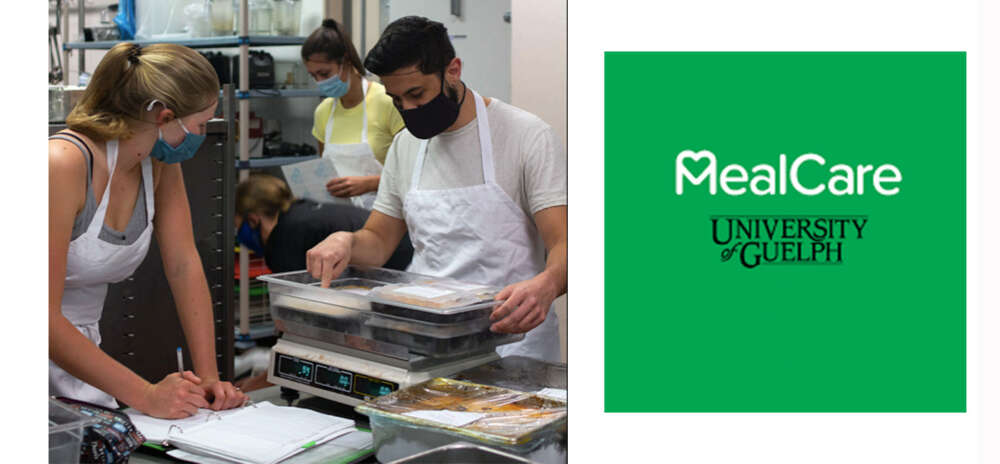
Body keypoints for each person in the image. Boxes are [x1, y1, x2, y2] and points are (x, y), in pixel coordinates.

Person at [305, 16, 568, 363]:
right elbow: (379, 242)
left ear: (453, 70)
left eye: (417, 94)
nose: (409, 109)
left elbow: (565, 243)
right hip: (426, 339)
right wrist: (347, 241)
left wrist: (547, 285)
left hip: (512, 344)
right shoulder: (405, 146)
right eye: (396, 99)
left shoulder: (526, 136)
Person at [49, 42, 247, 419]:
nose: (203, 134)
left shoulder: (157, 165)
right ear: (164, 115)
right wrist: (146, 394)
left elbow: (184, 266)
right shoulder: (62, 165)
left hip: (80, 358)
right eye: (202, 124)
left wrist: (209, 378)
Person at [302, 19, 405, 209]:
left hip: (387, 216)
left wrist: (369, 184)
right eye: (313, 76)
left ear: (346, 62)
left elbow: (413, 175)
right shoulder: (323, 112)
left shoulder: (388, 102)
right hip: (339, 218)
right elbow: (324, 173)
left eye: (324, 74)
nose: (320, 82)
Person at [235, 174, 413, 273]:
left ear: (253, 219)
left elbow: (296, 297)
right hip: (409, 262)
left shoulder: (284, 237)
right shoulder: (305, 211)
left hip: (394, 272)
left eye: (239, 226)